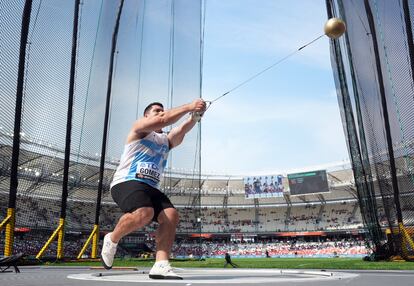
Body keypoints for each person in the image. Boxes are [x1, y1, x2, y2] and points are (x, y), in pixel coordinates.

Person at [101, 99, 206, 280]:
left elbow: (180, 130)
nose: (160, 112)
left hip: (150, 187)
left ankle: (161, 264)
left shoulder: (165, 140)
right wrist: (189, 106)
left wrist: (194, 116)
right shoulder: (139, 128)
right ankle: (112, 238)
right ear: (146, 116)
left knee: (171, 215)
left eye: (161, 110)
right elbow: (164, 120)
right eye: (156, 110)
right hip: (126, 182)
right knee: (144, 212)